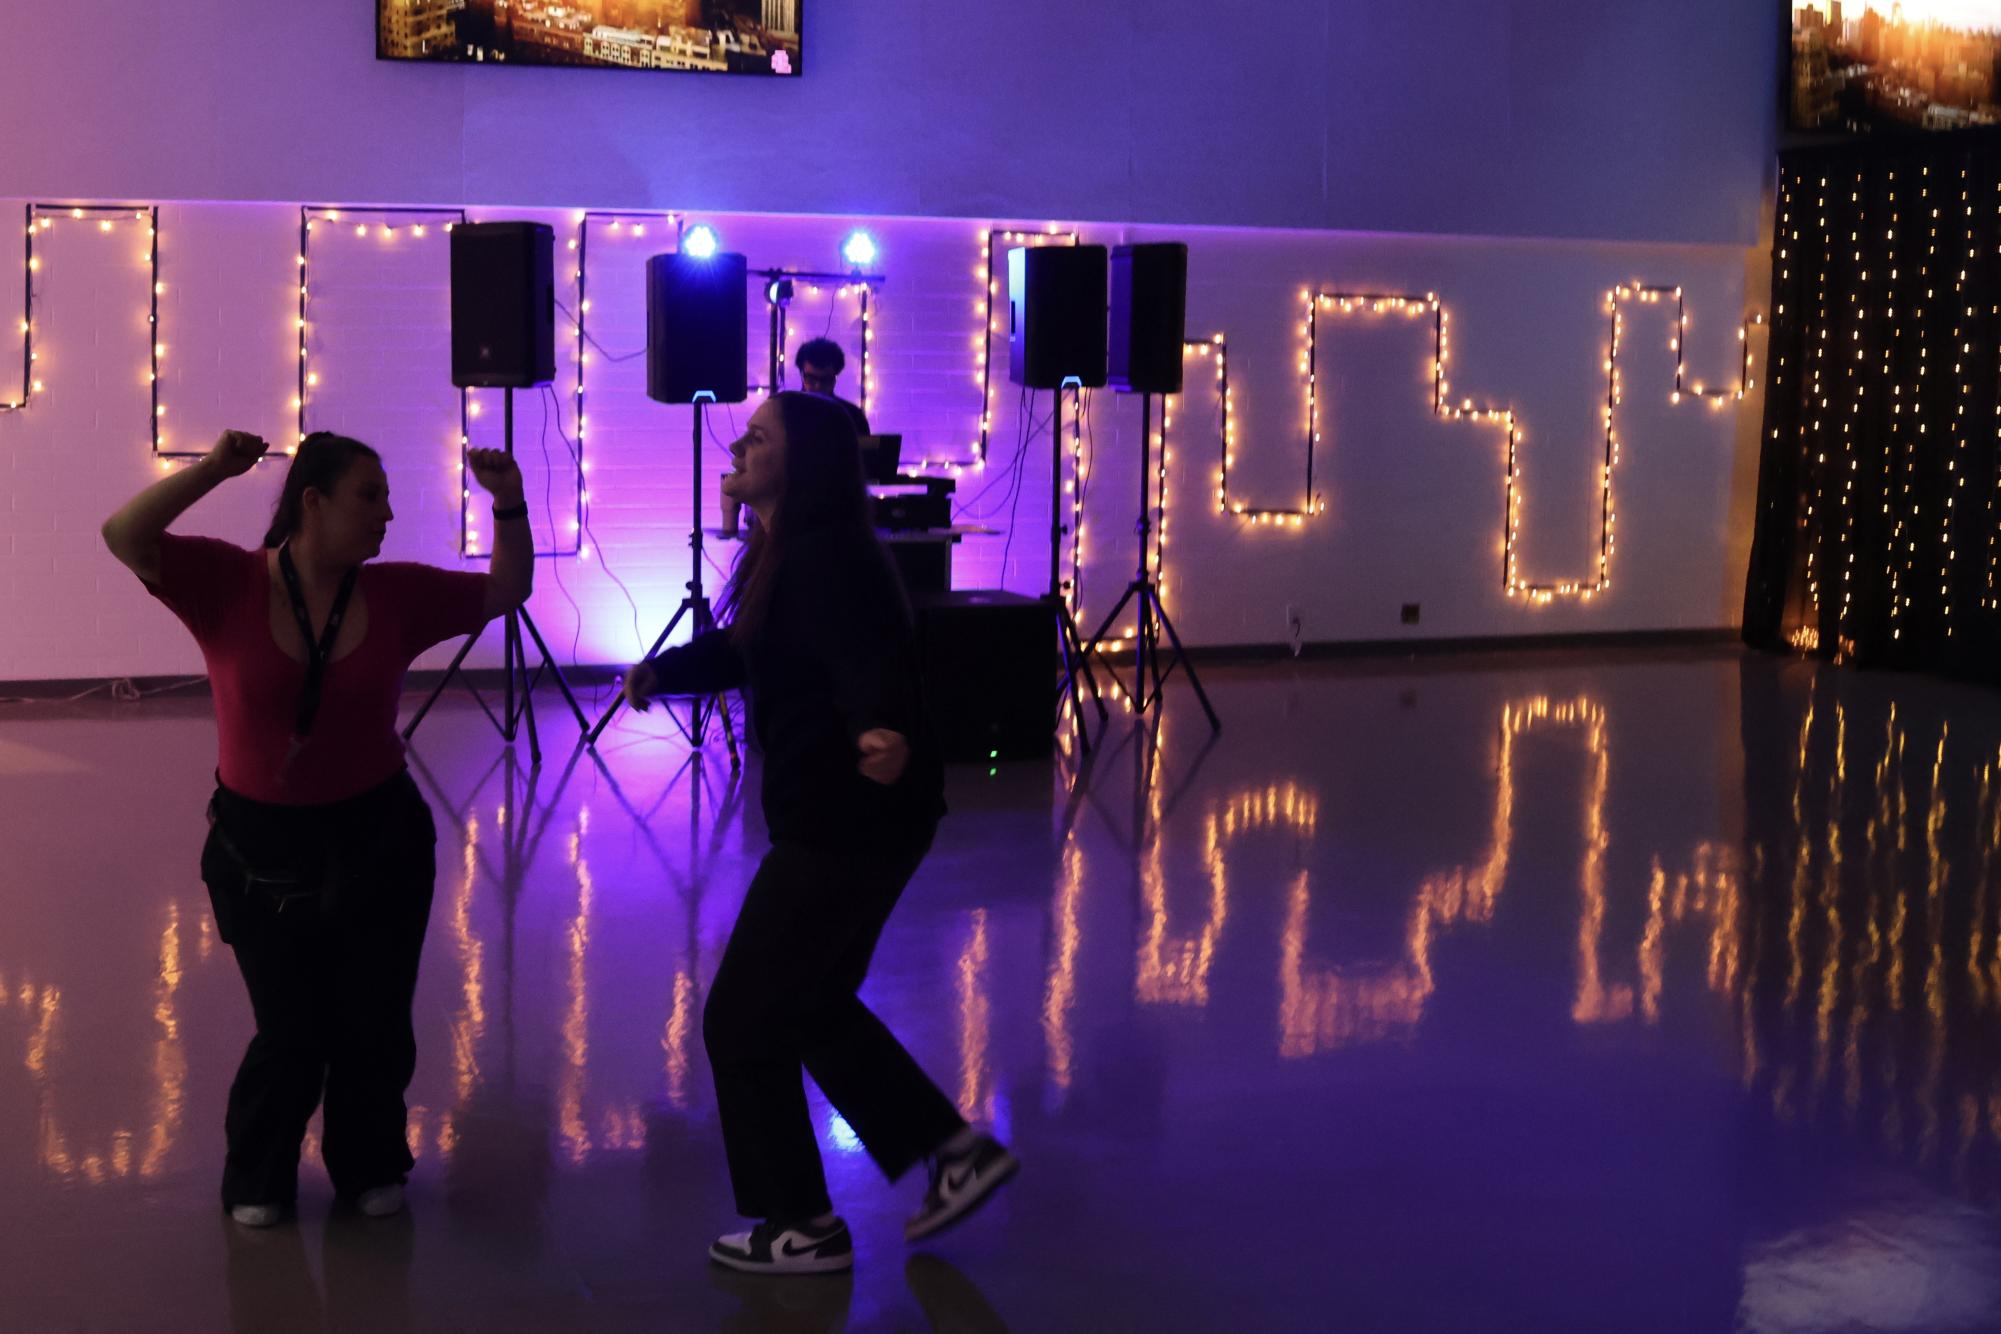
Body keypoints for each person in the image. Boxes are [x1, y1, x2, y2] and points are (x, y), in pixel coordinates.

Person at [622, 392, 1018, 1275]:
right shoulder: (786, 553)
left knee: (740, 1018)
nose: (737, 444)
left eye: (757, 438)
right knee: (809, 1004)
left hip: (849, 818)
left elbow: (868, 652)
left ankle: (800, 1223)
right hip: (856, 816)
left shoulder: (828, 557)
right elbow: (748, 649)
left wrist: (879, 726)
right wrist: (664, 670)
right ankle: (952, 1157)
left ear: (803, 465)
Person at [100, 428, 531, 1228]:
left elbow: (506, 590)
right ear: (312, 502)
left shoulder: (397, 593)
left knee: (373, 1018)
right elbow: (125, 535)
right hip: (260, 848)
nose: (387, 514)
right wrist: (218, 469)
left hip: (380, 837)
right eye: (370, 496)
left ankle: (368, 1162)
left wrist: (507, 502)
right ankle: (258, 1172)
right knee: (292, 1028)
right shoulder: (225, 581)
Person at [794, 336, 871, 438]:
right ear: (802, 374)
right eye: (811, 379)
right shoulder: (852, 415)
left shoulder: (854, 416)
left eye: (825, 380)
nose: (818, 386)